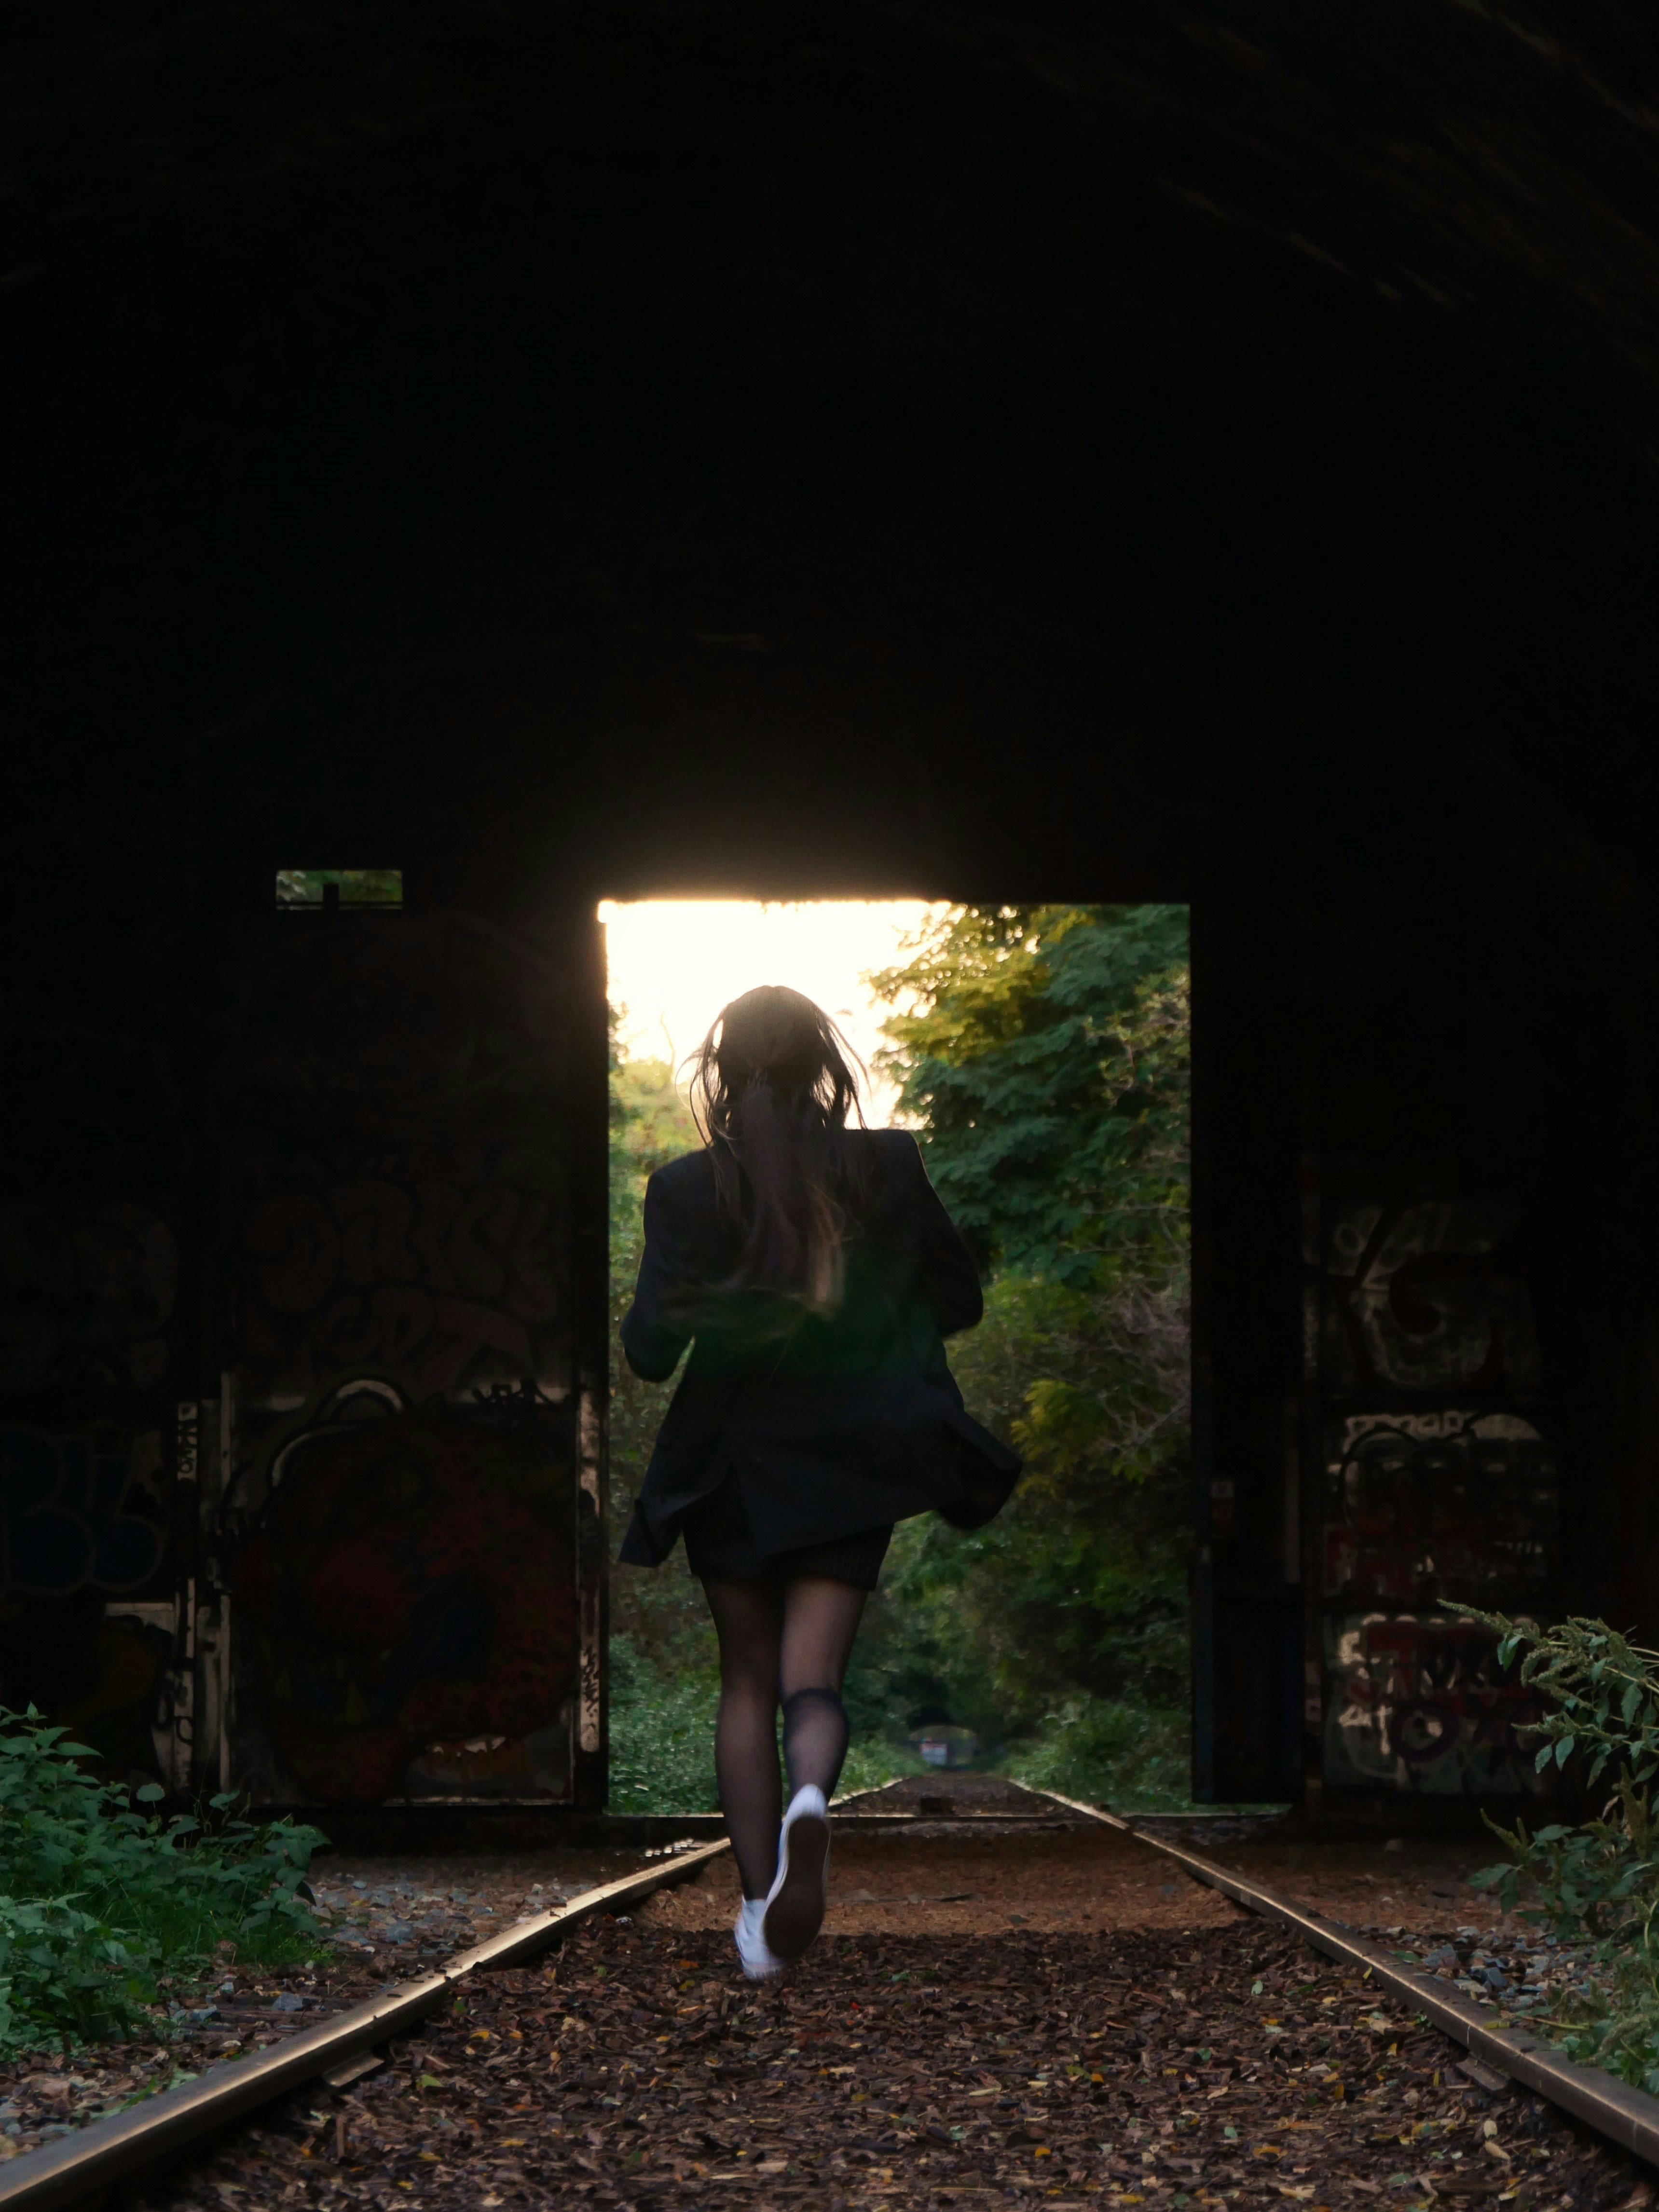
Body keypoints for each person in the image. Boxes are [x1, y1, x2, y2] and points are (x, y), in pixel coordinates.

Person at [617, 983, 1020, 1980]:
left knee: (743, 1682)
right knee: (811, 1682)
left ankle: (760, 1913)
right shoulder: (884, 1165)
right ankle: (812, 1800)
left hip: (727, 1465)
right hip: (851, 1461)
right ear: (823, 1067)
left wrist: (707, 1298)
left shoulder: (682, 1189)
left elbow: (648, 1353)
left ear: (719, 1074)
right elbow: (958, 1298)